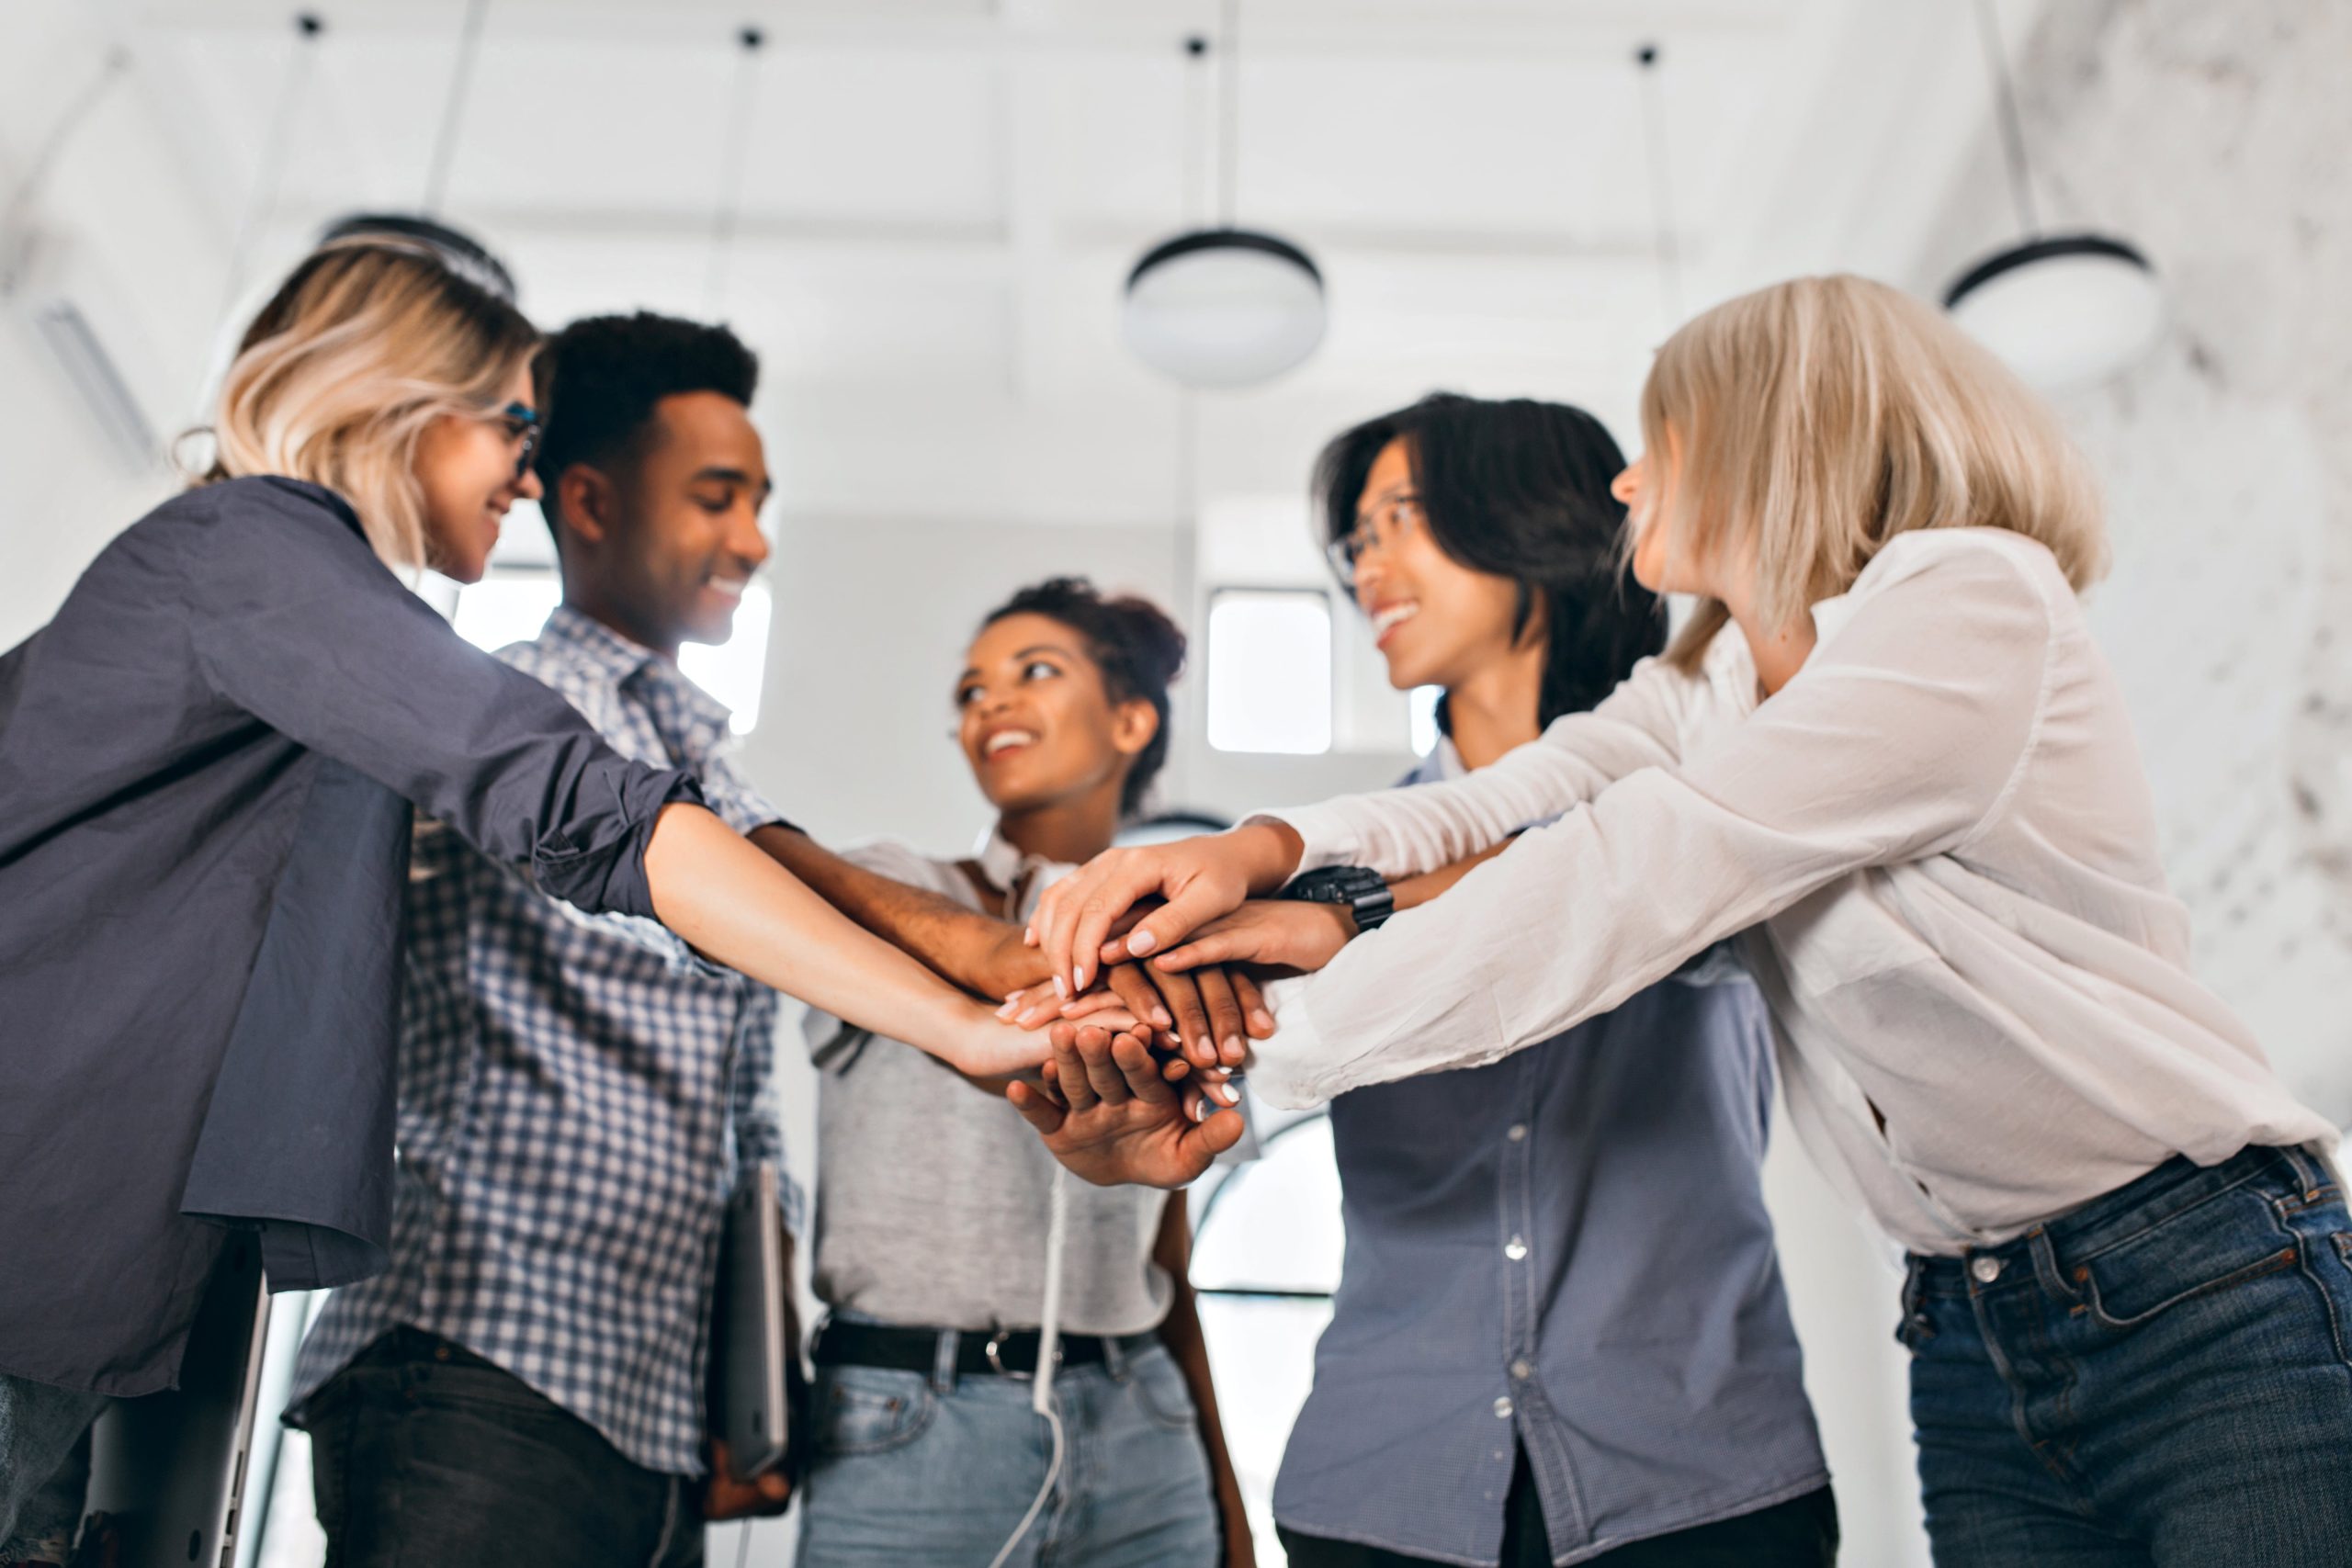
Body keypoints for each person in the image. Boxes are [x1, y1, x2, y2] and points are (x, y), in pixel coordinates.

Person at [1021, 275, 2352, 1567]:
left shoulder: (1967, 599)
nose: (1624, 479)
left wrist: (1259, 1051)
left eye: (1658, 438)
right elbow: (1516, 803)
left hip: (2198, 1276)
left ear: (1779, 434)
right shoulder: (1706, 681)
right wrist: (1268, 849)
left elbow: (1634, 868)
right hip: (1969, 1321)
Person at [0, 240, 1051, 1562]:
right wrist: (959, 1025)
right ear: (395, 398)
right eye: (511, 423)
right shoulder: (252, 546)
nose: (525, 465)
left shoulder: (292, 626)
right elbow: (584, 807)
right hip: (163, 1250)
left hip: (115, 1262)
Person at [1257, 393, 1833, 1567]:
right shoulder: (1328, 859)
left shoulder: (1716, 784)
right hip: (1383, 1484)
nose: (1369, 564)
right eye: (1356, 538)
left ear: (1525, 518)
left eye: (1403, 519)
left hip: (1700, 1478)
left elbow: (1614, 879)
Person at [284, 310, 805, 1561]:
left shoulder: (710, 760)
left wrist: (755, 1365)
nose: (753, 537)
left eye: (762, 500)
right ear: (586, 499)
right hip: (474, 1367)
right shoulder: (491, 716)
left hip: (660, 1409)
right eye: (718, 496)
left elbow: (745, 1109)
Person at [794, 578, 1253, 1568]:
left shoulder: (1184, 941)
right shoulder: (889, 884)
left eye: (1032, 673)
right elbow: (996, 1028)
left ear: (1130, 720)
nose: (989, 703)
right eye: (969, 691)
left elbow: (1165, 1252)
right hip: (907, 1426)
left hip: (1142, 1425)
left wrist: (1224, 1497)